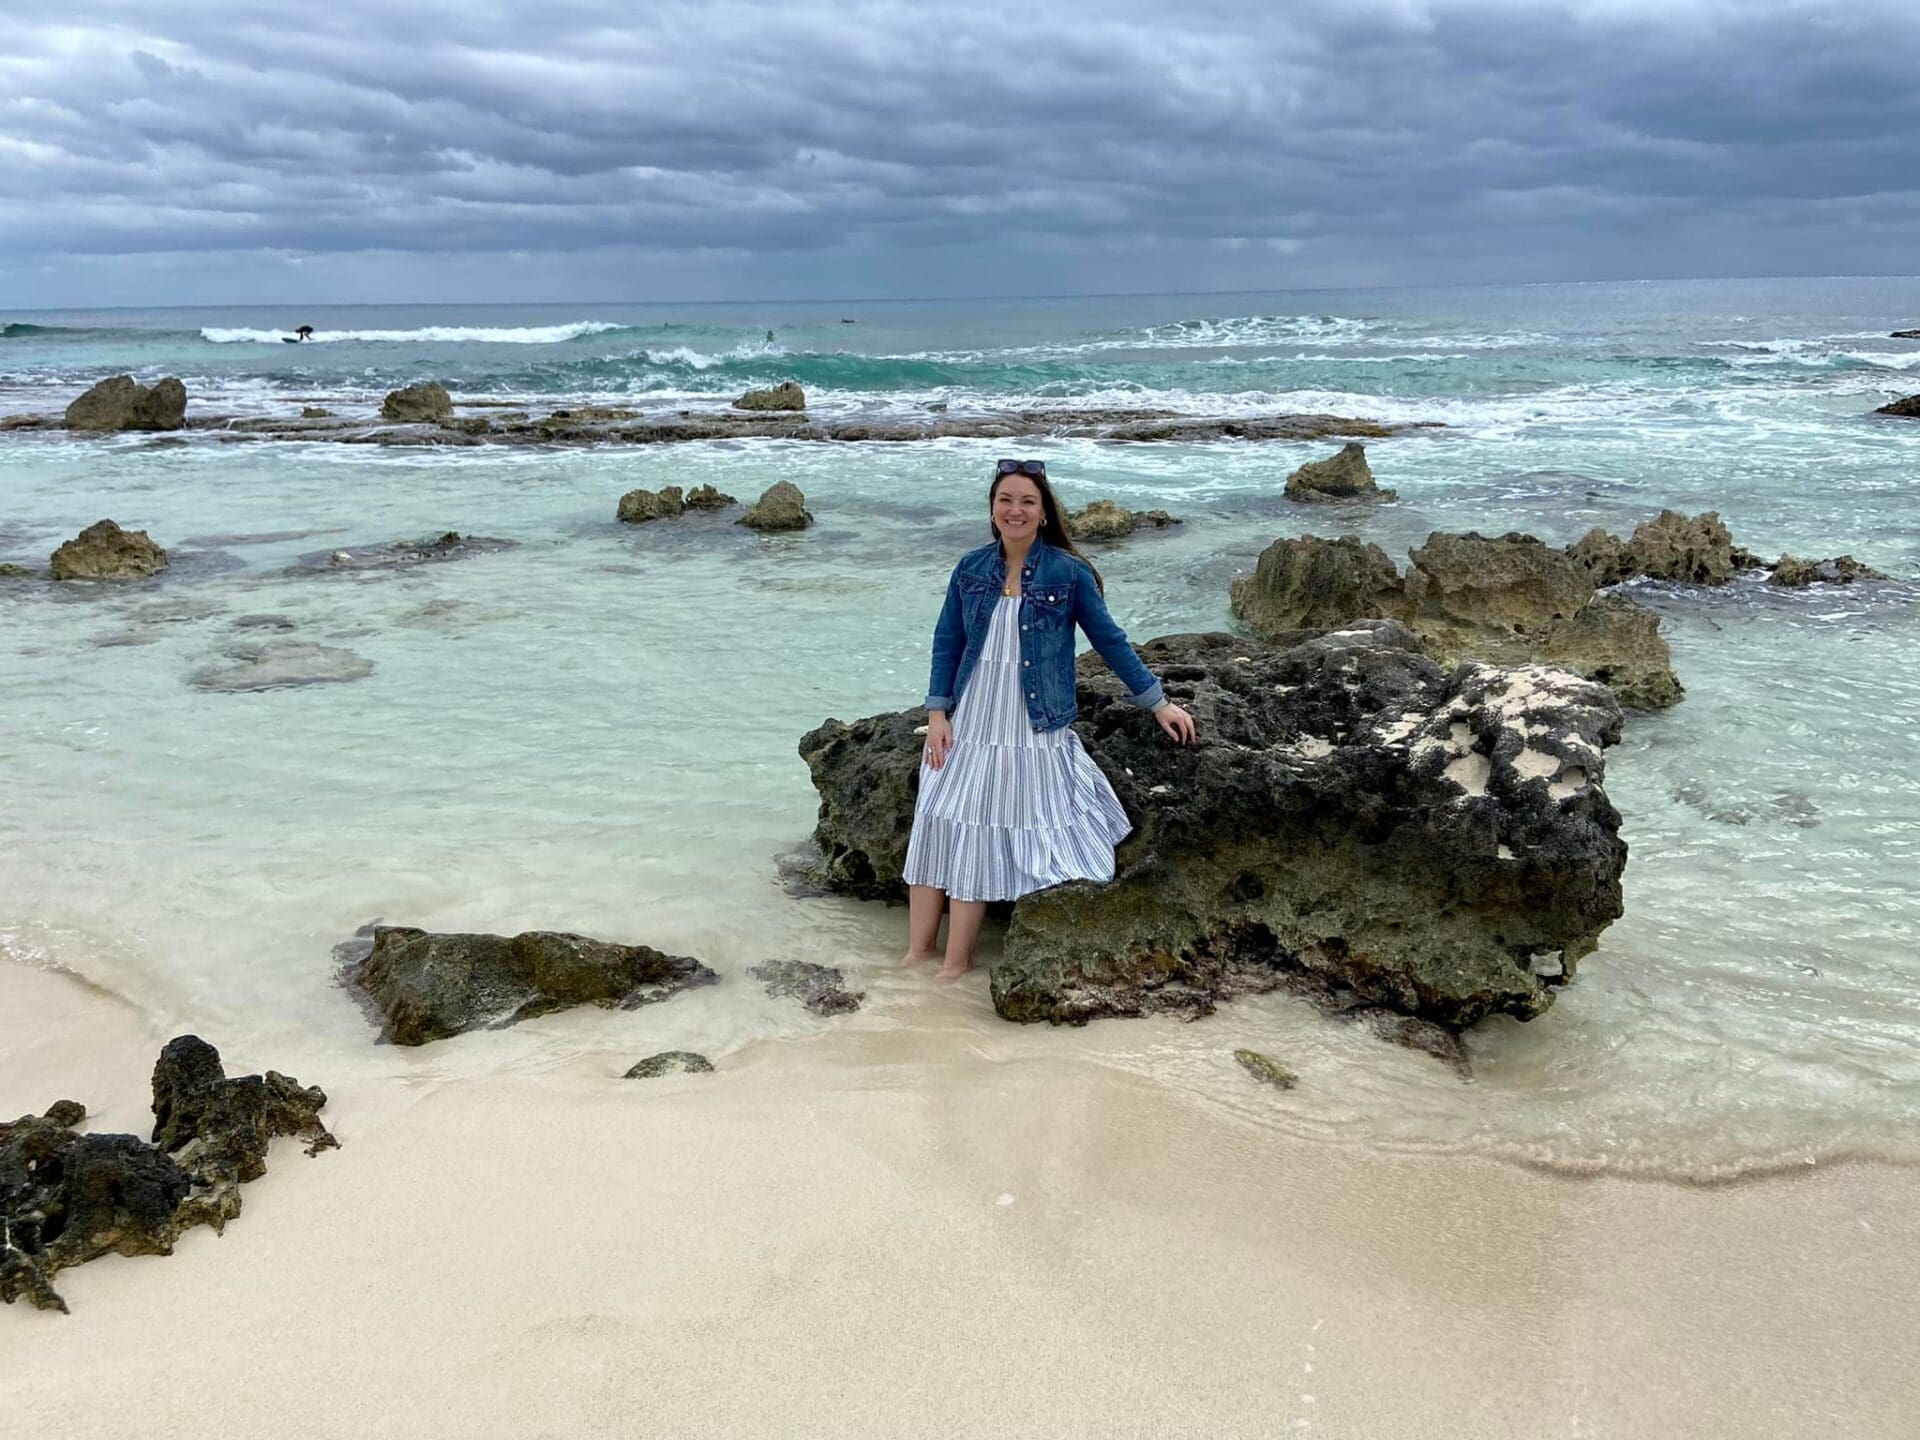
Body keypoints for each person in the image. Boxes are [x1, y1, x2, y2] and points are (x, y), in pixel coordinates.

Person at [901, 458, 1197, 981]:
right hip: (969, 720)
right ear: (992, 511)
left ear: (1043, 513)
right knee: (937, 817)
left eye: (1027, 502)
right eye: (1005, 501)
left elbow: (1110, 642)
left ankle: (956, 964)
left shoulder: (1068, 572)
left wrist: (1158, 702)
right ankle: (915, 955)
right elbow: (947, 643)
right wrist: (937, 712)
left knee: (981, 826)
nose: (1015, 510)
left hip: (1028, 726)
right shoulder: (970, 569)